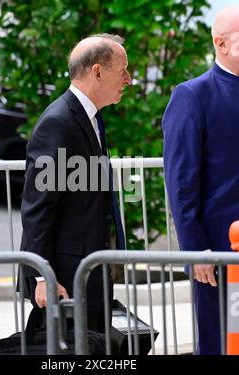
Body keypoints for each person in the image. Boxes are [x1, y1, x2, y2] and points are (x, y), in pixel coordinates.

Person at [20, 34, 131, 333]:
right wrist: (43, 277)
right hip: (65, 279)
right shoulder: (58, 122)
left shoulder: (92, 117)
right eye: (123, 71)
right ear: (97, 71)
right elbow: (38, 207)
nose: (129, 80)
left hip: (89, 273)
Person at [162, 6, 239, 355]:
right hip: (220, 253)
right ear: (221, 44)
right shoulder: (193, 95)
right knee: (221, 341)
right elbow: (181, 184)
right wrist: (197, 251)